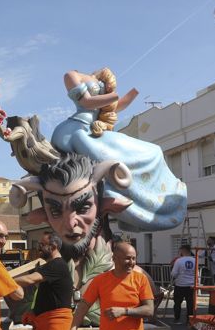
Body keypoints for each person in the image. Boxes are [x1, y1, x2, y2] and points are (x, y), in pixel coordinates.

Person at [50, 69, 186, 232]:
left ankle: (151, 200)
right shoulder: (71, 75)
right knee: (107, 158)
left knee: (154, 151)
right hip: (78, 130)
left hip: (94, 131)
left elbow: (114, 107)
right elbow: (86, 102)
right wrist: (112, 97)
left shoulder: (97, 80)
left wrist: (133, 92)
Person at [170, 244, 196, 326]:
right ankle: (190, 319)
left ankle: (177, 318)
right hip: (191, 285)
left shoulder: (179, 261)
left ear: (182, 250)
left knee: (177, 303)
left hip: (180, 284)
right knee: (190, 303)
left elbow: (174, 274)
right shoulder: (195, 260)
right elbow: (197, 273)